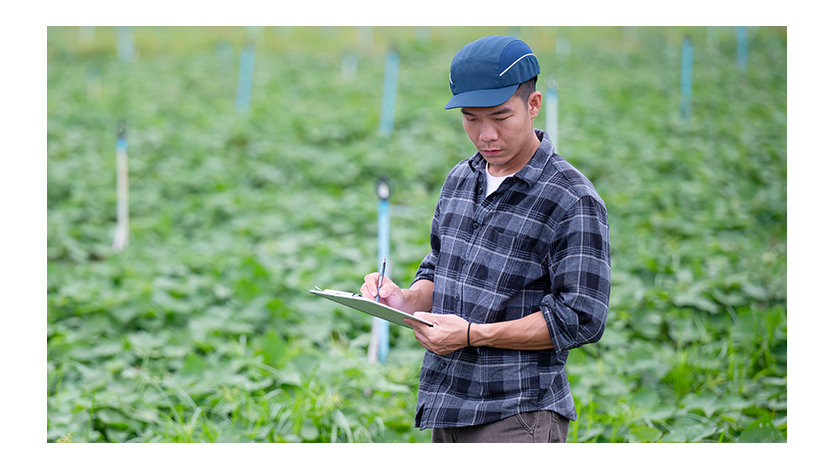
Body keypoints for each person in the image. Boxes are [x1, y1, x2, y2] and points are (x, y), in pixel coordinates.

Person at [360, 35, 610, 443]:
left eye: (500, 117)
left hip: (517, 413)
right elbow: (439, 269)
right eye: (471, 119)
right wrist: (404, 299)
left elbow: (580, 318)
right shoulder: (461, 179)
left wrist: (474, 334)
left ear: (534, 105)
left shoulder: (570, 198)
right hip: (448, 403)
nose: (486, 135)